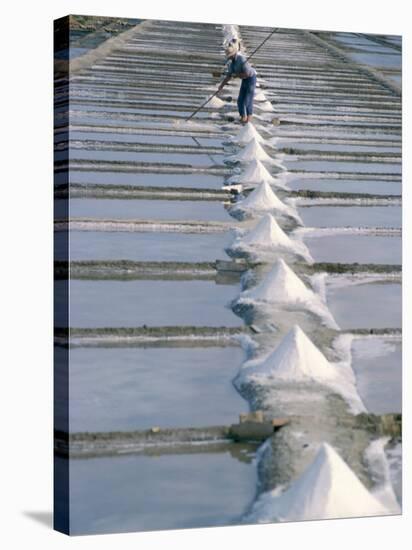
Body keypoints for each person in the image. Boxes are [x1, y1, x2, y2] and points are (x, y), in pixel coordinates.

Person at [218, 37, 257, 123]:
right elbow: (228, 76)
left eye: (229, 56)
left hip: (251, 78)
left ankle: (249, 119)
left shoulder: (241, 59)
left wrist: (237, 75)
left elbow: (247, 74)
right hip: (244, 80)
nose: (229, 58)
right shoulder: (232, 64)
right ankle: (243, 117)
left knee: (247, 100)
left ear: (233, 54)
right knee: (240, 100)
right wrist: (221, 86)